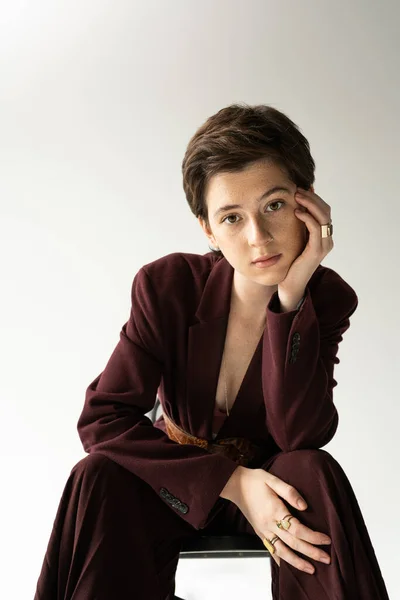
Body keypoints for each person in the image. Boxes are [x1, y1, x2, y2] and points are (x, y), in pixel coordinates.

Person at [34, 103, 390, 600]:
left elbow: (299, 433)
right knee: (97, 474)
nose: (258, 238)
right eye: (231, 217)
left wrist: (292, 298)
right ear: (207, 229)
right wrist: (231, 482)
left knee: (312, 468)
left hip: (276, 492)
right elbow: (103, 417)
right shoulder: (168, 286)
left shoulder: (327, 299)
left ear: (307, 202)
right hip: (174, 486)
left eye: (274, 206)